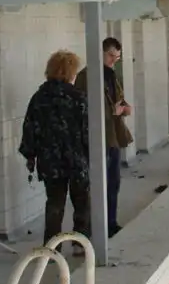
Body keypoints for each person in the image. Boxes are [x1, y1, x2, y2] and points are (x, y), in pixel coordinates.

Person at [19, 50, 91, 247]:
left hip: (50, 161)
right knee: (82, 202)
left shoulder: (39, 98)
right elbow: (87, 130)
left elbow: (30, 128)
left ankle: (52, 248)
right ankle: (81, 244)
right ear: (70, 72)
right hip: (77, 160)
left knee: (54, 204)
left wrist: (30, 155)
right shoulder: (78, 97)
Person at [76, 38, 132, 239]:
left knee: (113, 182)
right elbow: (83, 109)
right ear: (100, 53)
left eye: (117, 58)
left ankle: (110, 222)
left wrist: (125, 108)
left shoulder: (110, 75)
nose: (113, 61)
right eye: (110, 56)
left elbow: (119, 99)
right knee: (97, 185)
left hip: (113, 136)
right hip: (97, 137)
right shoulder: (86, 77)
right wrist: (112, 111)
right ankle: (95, 226)